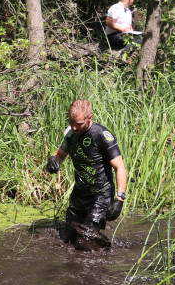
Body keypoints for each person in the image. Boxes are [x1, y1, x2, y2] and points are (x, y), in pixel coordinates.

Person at [45, 100, 129, 245]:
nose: (74, 127)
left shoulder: (103, 136)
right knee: (70, 238)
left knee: (87, 238)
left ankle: (104, 259)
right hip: (80, 193)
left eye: (78, 124)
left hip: (101, 194)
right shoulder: (70, 133)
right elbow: (60, 154)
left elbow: (120, 167)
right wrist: (53, 160)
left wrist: (119, 199)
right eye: (71, 122)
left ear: (89, 118)